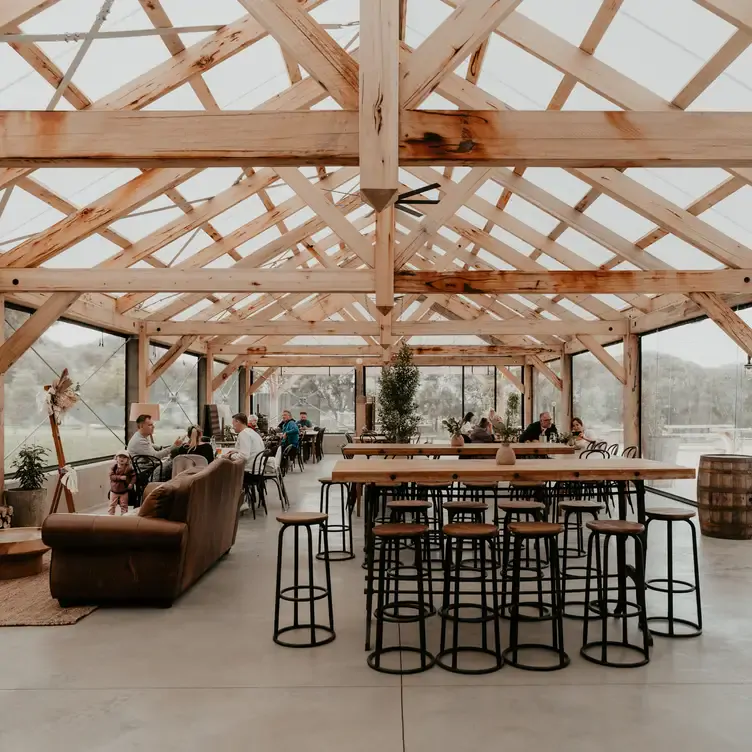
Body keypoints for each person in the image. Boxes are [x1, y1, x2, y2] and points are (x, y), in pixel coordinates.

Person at [127, 414, 183, 479]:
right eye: (150, 425)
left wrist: (162, 448)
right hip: (146, 472)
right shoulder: (139, 441)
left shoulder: (140, 436)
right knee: (175, 463)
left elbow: (151, 445)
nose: (153, 427)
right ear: (141, 426)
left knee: (174, 462)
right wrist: (174, 446)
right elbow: (156, 456)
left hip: (149, 468)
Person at [108, 451, 135, 516]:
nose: (122, 459)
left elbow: (134, 476)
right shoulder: (114, 468)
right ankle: (110, 517)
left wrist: (131, 483)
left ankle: (124, 517)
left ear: (128, 459)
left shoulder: (129, 468)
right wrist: (120, 478)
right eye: (120, 457)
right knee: (112, 505)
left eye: (124, 457)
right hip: (114, 490)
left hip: (124, 491)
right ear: (116, 458)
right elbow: (111, 476)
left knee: (124, 505)